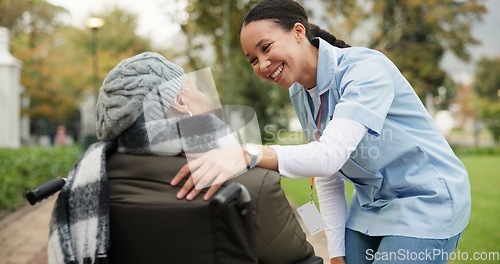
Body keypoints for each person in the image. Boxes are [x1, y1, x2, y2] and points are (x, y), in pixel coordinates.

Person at [172, 0, 471, 263]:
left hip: (426, 200)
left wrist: (247, 153)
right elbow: (329, 176)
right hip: (371, 207)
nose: (262, 64)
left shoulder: (365, 69)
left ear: (299, 32)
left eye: (266, 48)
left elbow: (328, 156)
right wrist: (337, 251)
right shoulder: (299, 92)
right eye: (252, 59)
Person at [48, 52, 322, 264]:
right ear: (180, 102)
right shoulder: (250, 186)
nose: (207, 97)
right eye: (198, 90)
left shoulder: (80, 191)